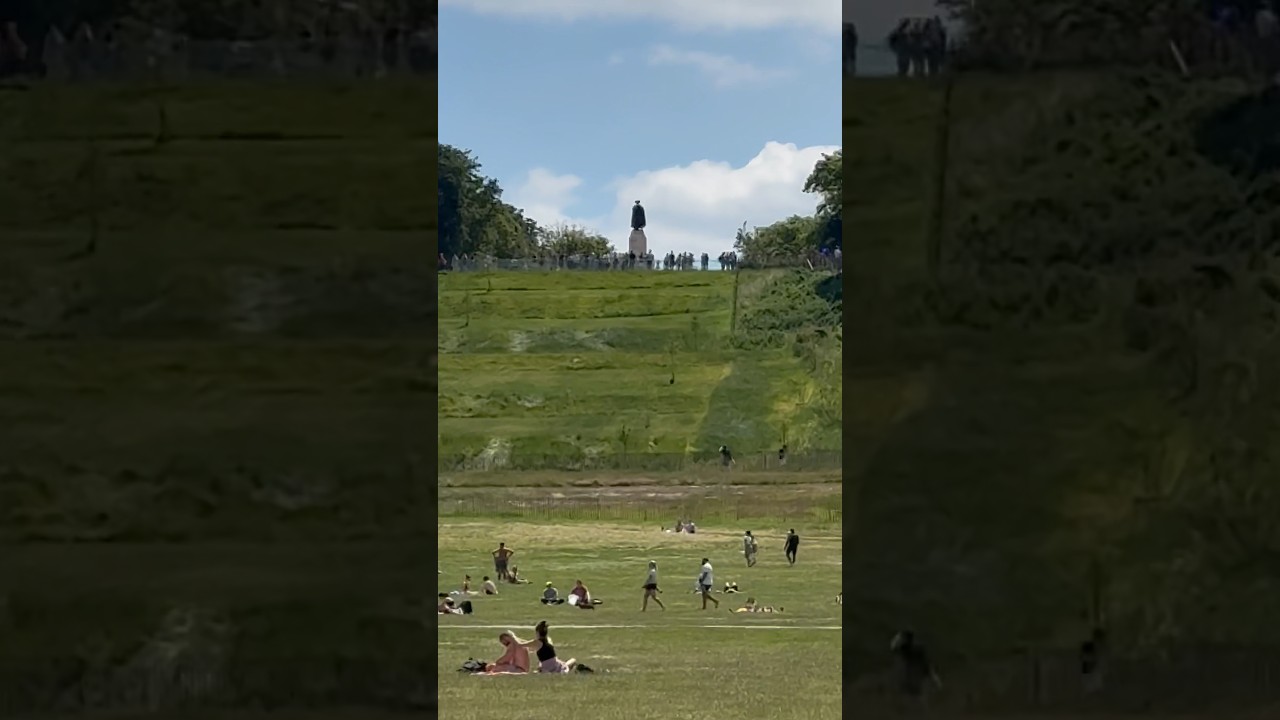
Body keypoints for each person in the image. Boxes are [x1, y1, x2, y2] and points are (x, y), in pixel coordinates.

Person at [891, 630, 942, 704]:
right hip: (910, 684)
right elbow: (893, 647)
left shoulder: (914, 652)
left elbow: (893, 647)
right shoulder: (910, 652)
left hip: (913, 684)